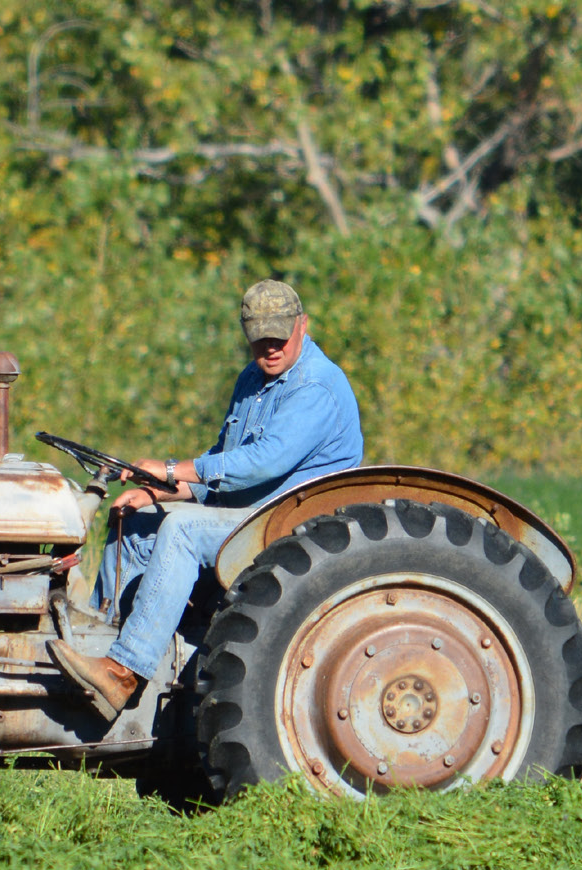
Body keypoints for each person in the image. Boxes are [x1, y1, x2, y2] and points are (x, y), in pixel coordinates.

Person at [49, 279, 364, 718]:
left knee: (181, 528)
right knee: (134, 523)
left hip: (288, 527)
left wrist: (173, 469)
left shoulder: (317, 386)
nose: (270, 349)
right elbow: (223, 461)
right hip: (243, 515)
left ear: (302, 325)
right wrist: (159, 489)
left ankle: (123, 673)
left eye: (279, 337)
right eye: (260, 340)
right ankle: (105, 645)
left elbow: (261, 463)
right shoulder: (252, 379)